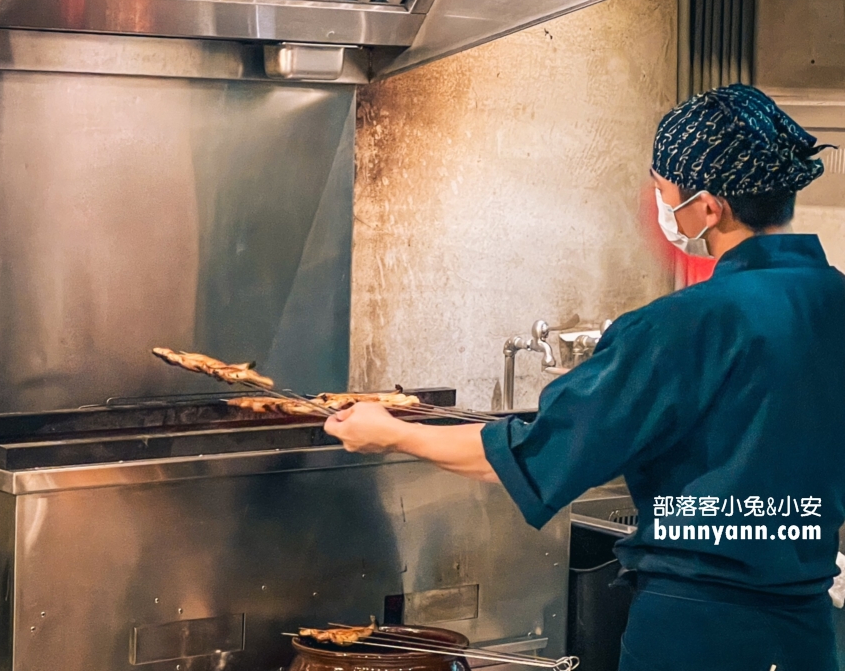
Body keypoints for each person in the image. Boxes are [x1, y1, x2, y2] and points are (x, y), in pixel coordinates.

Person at [324, 84, 845, 671]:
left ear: (708, 207)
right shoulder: (834, 302)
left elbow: (536, 457)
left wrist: (390, 432)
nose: (658, 200)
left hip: (698, 632)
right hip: (808, 634)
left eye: (661, 186)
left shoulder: (683, 323)